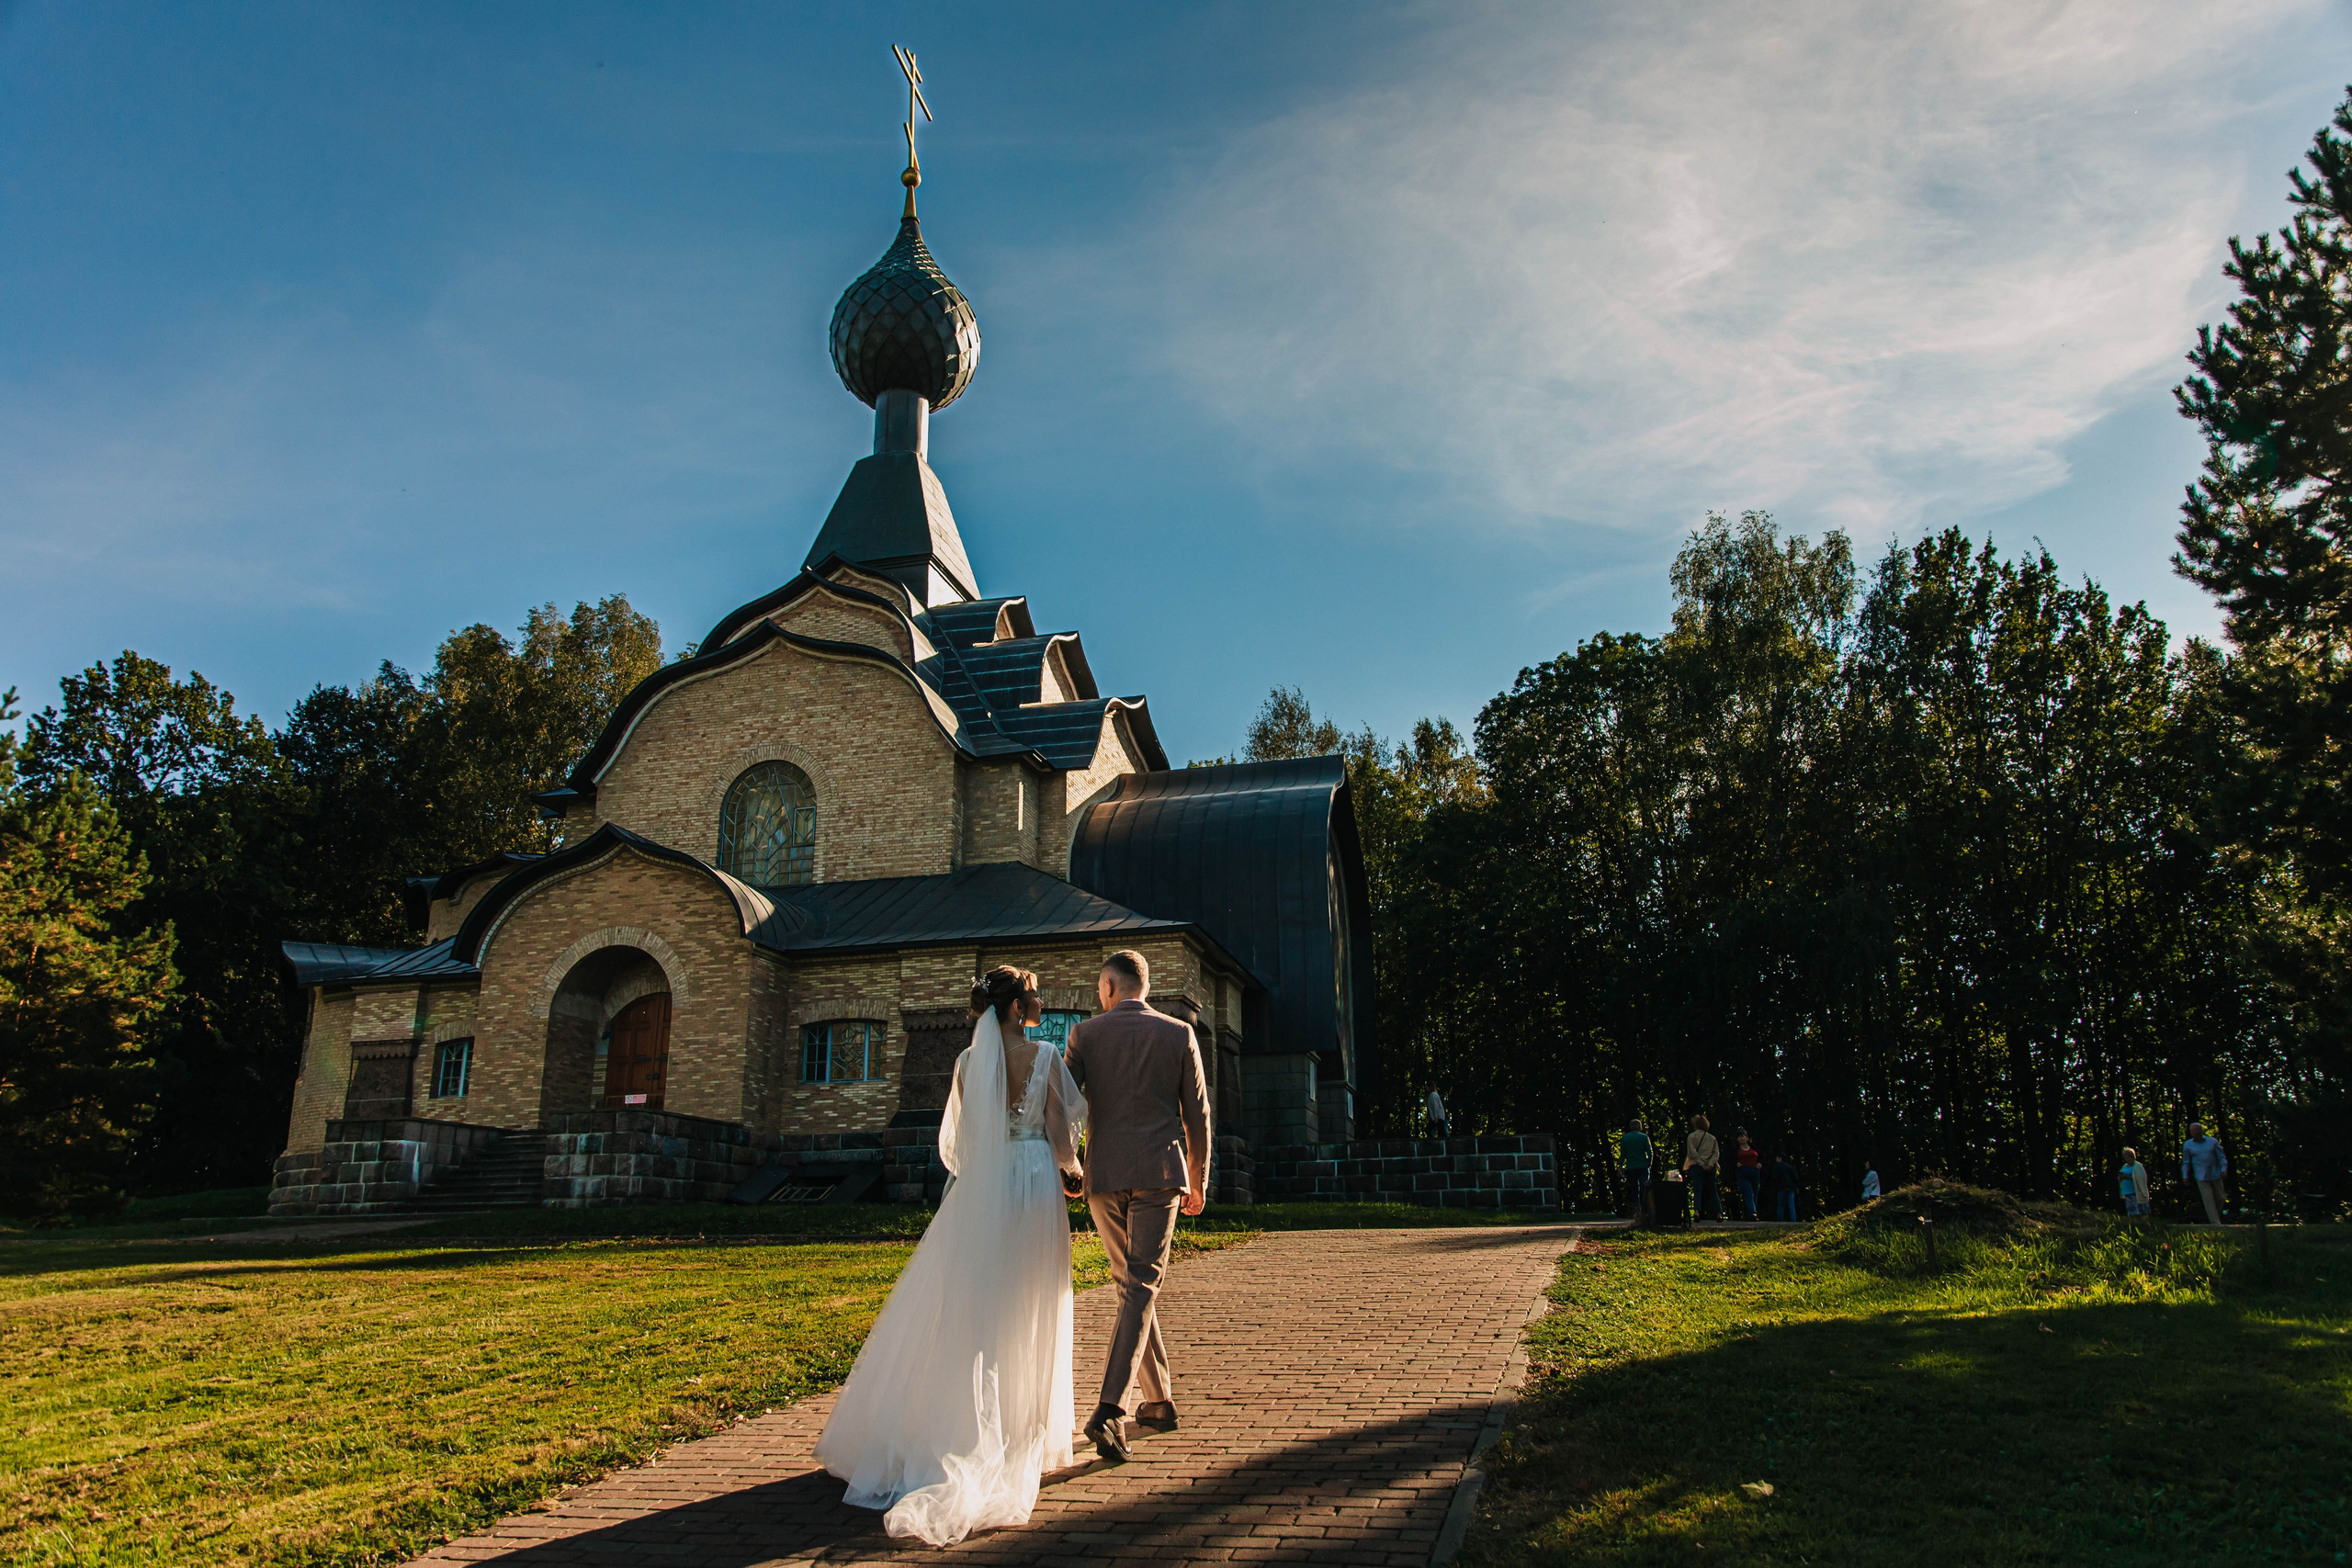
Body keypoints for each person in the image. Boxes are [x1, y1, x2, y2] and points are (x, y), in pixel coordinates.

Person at [817, 965, 1088, 1545]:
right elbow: (1062, 1129)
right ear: (1017, 1008)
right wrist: (1072, 1171)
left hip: (986, 1185)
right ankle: (1020, 1433)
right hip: (1036, 1180)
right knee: (1030, 1298)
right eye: (1036, 994)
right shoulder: (1043, 1058)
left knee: (977, 1306)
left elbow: (962, 1144)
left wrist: (984, 1181)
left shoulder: (967, 1063)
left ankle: (956, 1427)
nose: (1041, 1001)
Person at [1064, 949, 1212, 1463]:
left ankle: (1135, 1406)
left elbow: (1065, 1105)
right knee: (1139, 1287)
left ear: (1109, 986)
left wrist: (1068, 1165)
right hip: (1159, 1174)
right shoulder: (1178, 1033)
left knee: (1134, 1287)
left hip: (1103, 1176)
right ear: (1143, 986)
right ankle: (1135, 1405)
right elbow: (1198, 1117)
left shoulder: (1084, 1036)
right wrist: (1199, 1181)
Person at [2181, 1122, 2229, 1225]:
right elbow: (2186, 1162)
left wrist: (2224, 1169)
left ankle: (2215, 1216)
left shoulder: (2212, 1142)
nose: (2192, 1132)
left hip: (2215, 1172)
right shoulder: (2188, 1145)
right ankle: (2215, 1222)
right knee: (2208, 1199)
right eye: (2191, 1130)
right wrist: (2185, 1175)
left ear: (2200, 1130)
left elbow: (2221, 1157)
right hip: (2200, 1175)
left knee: (2221, 1197)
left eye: (2194, 1130)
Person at [1682, 1114, 1722, 1222]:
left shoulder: (1692, 1136)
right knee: (1713, 1190)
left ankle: (1697, 1212)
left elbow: (1692, 1152)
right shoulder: (1712, 1138)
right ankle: (1719, 1213)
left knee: (1697, 1189)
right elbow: (1716, 1153)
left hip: (1696, 1166)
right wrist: (1710, 1163)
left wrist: (1701, 1163)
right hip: (1711, 1167)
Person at [1620, 1117, 1654, 1217]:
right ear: (1640, 1127)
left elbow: (1623, 1154)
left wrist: (1621, 1166)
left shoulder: (1625, 1138)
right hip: (1643, 1166)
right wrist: (1649, 1163)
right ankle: (1645, 1210)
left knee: (1634, 1189)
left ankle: (1636, 1210)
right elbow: (1649, 1152)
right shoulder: (1644, 1137)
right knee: (1644, 1187)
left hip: (1631, 1167)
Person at [1733, 1133, 1763, 1221]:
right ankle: (1752, 1212)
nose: (1741, 1138)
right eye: (1739, 1137)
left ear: (1747, 1138)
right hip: (1743, 1172)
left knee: (1755, 1193)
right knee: (1748, 1192)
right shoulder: (1735, 1149)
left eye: (1742, 1136)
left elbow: (1762, 1157)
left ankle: (1752, 1214)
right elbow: (1730, 1159)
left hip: (1754, 1172)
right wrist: (1736, 1163)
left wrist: (1760, 1163)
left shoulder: (1753, 1147)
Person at [2119, 1147, 2151, 1217]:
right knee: (2131, 1210)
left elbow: (2140, 1178)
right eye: (2125, 1158)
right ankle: (2133, 1223)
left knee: (2140, 1210)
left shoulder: (2137, 1166)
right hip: (2127, 1192)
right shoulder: (2124, 1166)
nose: (2126, 1160)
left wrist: (2126, 1176)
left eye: (2128, 1158)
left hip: (2136, 1191)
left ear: (2132, 1157)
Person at [1769, 1153, 1800, 1221]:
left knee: (1780, 1205)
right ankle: (1793, 1221)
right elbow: (1796, 1177)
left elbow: (1774, 1177)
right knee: (1791, 1205)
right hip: (1791, 1187)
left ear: (1780, 1158)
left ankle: (1780, 1221)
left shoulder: (1777, 1167)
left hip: (1781, 1187)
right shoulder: (1790, 1167)